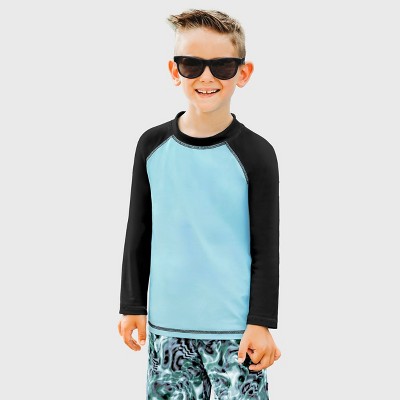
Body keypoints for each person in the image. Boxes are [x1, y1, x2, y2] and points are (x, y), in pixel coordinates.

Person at [118, 8, 281, 399]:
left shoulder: (257, 153)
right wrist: (132, 304)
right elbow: (139, 230)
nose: (207, 77)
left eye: (222, 65)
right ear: (175, 71)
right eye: (192, 64)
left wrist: (261, 321)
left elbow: (266, 246)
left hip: (236, 334)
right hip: (167, 331)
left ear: (243, 72)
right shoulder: (152, 146)